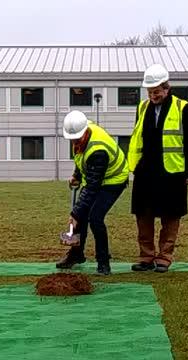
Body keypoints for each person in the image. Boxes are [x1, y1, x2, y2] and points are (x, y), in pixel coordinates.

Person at [128, 64, 188, 273]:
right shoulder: (142, 108)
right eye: (150, 92)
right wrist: (134, 166)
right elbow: (136, 137)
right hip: (145, 171)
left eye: (157, 92)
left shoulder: (184, 108)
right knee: (143, 216)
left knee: (171, 216)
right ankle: (146, 257)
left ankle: (164, 258)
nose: (153, 96)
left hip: (172, 172)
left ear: (167, 88)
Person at [55, 111, 128, 275]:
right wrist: (77, 175)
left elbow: (93, 187)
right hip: (95, 179)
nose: (74, 142)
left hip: (113, 180)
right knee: (81, 216)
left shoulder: (98, 150)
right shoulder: (79, 133)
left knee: (95, 218)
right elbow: (81, 158)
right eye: (71, 139)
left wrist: (75, 213)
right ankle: (76, 255)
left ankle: (103, 263)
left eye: (77, 139)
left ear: (85, 132)